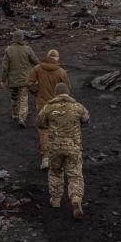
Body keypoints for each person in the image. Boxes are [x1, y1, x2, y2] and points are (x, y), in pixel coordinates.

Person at [37, 83, 89, 219]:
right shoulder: (78, 107)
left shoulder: (48, 107)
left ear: (56, 93)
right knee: (75, 174)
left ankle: (55, 200)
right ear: (68, 93)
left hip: (55, 146)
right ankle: (76, 198)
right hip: (73, 146)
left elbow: (40, 123)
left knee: (55, 172)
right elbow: (86, 119)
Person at [26, 49, 69, 169]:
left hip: (42, 105)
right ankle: (58, 158)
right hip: (58, 106)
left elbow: (29, 83)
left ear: (47, 57)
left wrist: (36, 92)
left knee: (44, 131)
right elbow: (67, 90)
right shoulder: (61, 72)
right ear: (57, 58)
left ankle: (45, 158)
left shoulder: (38, 68)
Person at [1, 30, 40, 127]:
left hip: (12, 80)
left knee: (14, 97)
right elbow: (36, 62)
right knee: (23, 99)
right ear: (22, 38)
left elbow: (5, 67)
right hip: (24, 80)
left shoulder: (8, 50)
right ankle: (22, 118)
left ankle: (14, 114)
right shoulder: (27, 49)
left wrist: (3, 80)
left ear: (13, 38)